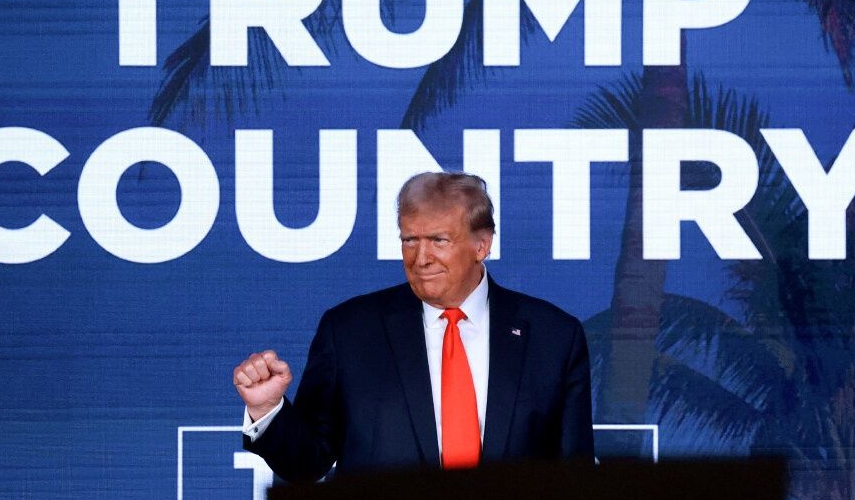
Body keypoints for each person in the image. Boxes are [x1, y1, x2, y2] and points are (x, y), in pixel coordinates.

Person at [233, 172, 593, 481]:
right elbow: (306, 465)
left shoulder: (554, 338)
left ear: (482, 244)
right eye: (410, 240)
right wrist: (268, 411)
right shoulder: (349, 333)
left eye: (439, 240)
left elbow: (573, 480)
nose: (421, 258)